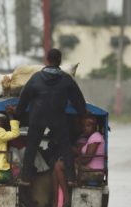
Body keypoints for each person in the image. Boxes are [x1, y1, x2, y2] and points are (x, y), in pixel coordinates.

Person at [15, 48, 86, 186]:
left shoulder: (36, 78)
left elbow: (24, 97)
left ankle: (25, 178)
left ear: (47, 60)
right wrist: (82, 112)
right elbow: (78, 99)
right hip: (57, 117)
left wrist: (18, 112)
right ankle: (71, 179)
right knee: (66, 147)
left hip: (37, 117)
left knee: (32, 146)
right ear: (59, 60)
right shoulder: (66, 79)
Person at [45, 116, 105, 207]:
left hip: (92, 171)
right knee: (56, 169)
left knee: (59, 165)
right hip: (86, 168)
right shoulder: (90, 138)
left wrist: (72, 161)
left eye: (88, 125)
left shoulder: (96, 137)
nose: (85, 128)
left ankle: (67, 200)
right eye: (84, 126)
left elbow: (87, 159)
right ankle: (55, 206)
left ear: (94, 126)